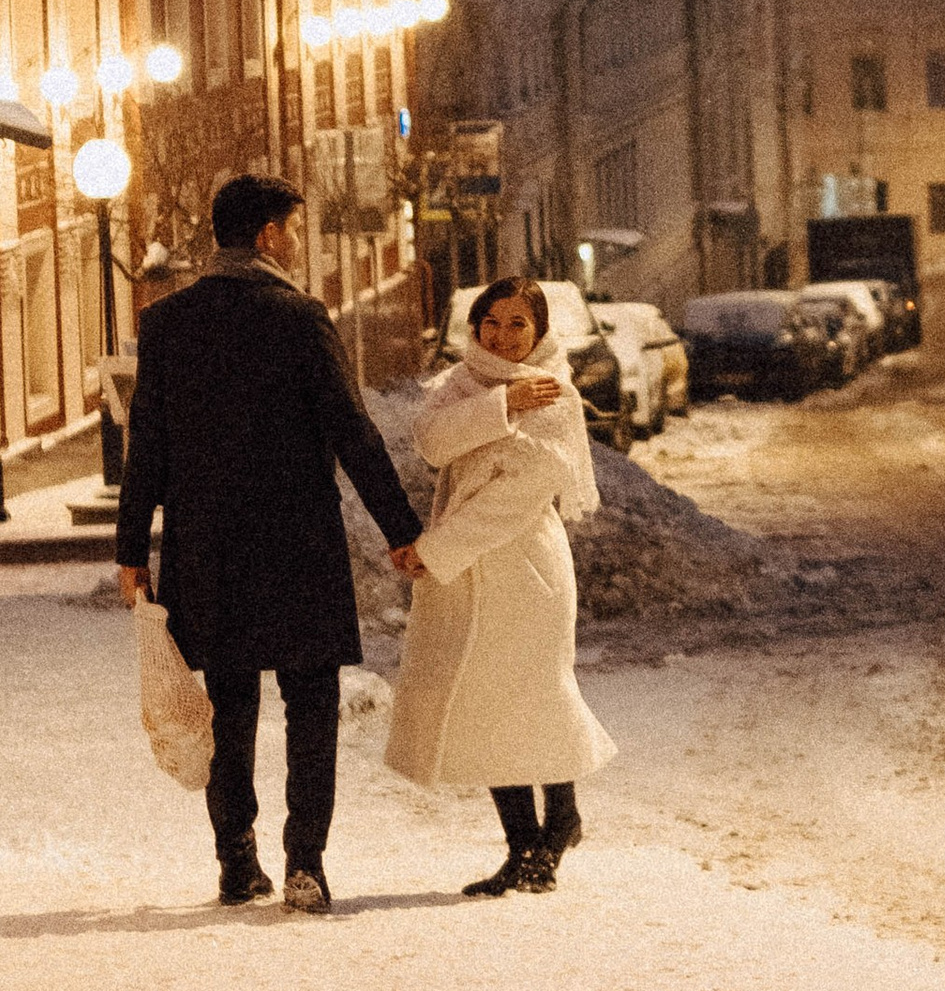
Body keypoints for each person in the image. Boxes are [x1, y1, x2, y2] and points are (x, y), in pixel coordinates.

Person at [116, 173, 422, 913]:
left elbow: (146, 448)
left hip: (208, 546)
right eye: (291, 226)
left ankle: (235, 861)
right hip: (297, 543)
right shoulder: (300, 317)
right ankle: (304, 865)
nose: (296, 239)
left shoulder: (168, 323)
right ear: (265, 236)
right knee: (310, 701)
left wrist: (131, 550)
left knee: (229, 703)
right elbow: (354, 430)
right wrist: (401, 530)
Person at [385, 275, 616, 896]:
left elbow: (517, 496)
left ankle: (560, 819)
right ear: (474, 326)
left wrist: (434, 551)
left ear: (539, 331)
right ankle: (521, 845)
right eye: (493, 322)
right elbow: (432, 445)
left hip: (524, 569)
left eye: (519, 324)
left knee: (535, 697)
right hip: (464, 571)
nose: (504, 337)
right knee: (482, 704)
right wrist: (500, 407)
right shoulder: (461, 384)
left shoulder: (554, 392)